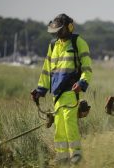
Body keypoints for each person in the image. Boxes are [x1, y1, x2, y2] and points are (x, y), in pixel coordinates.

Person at [31, 13, 92, 165]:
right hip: (57, 95)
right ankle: (62, 158)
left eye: (60, 30)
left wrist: (82, 83)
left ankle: (77, 157)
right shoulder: (53, 45)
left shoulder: (78, 42)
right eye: (55, 31)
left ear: (69, 27)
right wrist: (40, 90)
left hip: (72, 92)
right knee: (59, 128)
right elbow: (46, 70)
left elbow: (87, 68)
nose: (57, 33)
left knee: (69, 125)